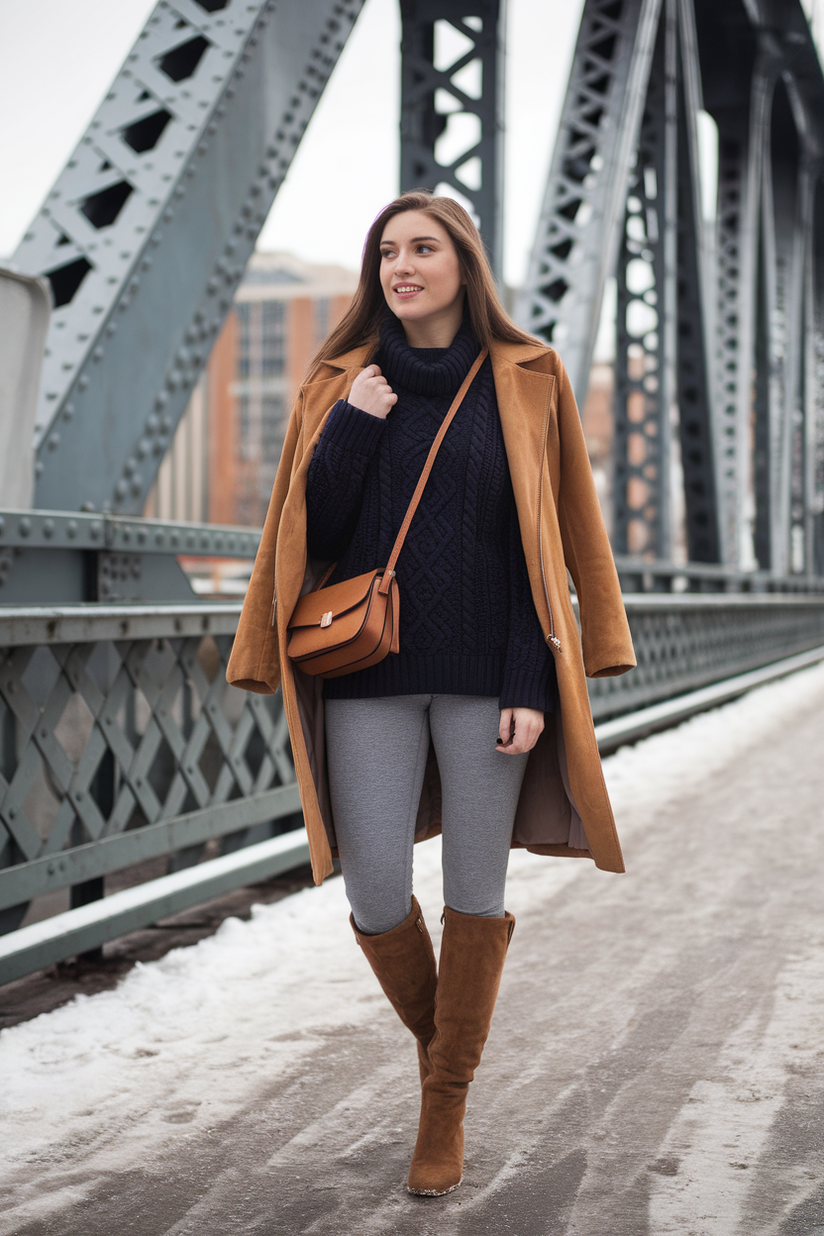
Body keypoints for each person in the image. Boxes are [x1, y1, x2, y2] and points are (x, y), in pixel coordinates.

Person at [227, 190, 635, 1197]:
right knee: (371, 892)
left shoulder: (525, 378)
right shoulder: (342, 383)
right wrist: (356, 429)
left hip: (483, 682)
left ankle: (441, 1103)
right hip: (365, 672)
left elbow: (534, 553)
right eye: (385, 252)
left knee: (473, 894)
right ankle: (443, 1047)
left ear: (463, 264)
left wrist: (528, 681)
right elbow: (306, 532)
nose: (399, 266)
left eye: (422, 248)